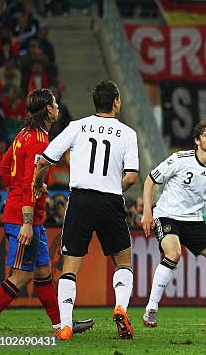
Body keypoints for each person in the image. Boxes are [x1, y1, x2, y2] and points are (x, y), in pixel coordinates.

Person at [32, 80, 139, 340]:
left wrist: (37, 182)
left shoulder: (77, 126)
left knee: (70, 267)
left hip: (79, 200)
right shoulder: (127, 133)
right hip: (110, 201)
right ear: (116, 102)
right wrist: (114, 185)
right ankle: (120, 307)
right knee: (123, 262)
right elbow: (132, 176)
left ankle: (66, 326)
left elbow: (45, 159)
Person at [0, 89, 93, 336]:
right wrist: (26, 220)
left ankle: (61, 325)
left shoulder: (22, 134)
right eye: (55, 103)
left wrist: (25, 188)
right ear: (48, 109)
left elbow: (5, 168)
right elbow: (27, 182)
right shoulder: (39, 140)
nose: (58, 107)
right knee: (21, 277)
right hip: (23, 218)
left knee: (43, 273)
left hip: (25, 212)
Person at [140, 120, 206, 328]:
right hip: (167, 215)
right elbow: (150, 180)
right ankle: (151, 308)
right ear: (197, 140)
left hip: (194, 221)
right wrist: (147, 213)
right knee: (173, 253)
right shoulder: (179, 159)